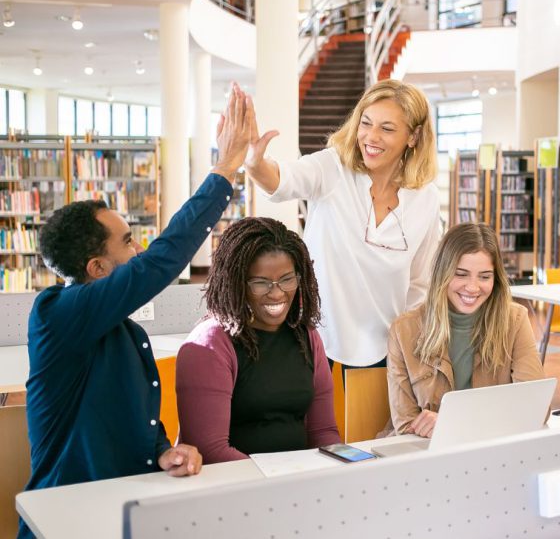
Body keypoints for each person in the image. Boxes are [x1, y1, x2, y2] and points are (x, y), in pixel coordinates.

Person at [18, 85, 252, 538]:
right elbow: (160, 262)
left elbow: (131, 418)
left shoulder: (123, 330)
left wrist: (162, 451)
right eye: (127, 242)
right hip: (66, 521)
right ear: (96, 268)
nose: (139, 250)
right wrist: (223, 170)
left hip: (125, 510)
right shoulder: (57, 315)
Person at [244, 79, 441, 370]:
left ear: (413, 136)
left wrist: (410, 347)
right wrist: (255, 165)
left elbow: (420, 283)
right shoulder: (333, 168)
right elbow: (284, 180)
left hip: (385, 348)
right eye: (366, 123)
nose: (371, 137)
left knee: (370, 418)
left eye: (387, 128)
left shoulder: (426, 198)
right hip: (314, 338)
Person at [176, 217, 340, 463]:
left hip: (297, 482)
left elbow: (323, 432)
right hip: (235, 488)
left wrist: (344, 466)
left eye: (287, 279)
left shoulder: (306, 336)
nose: (276, 293)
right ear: (236, 283)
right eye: (261, 283)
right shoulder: (209, 344)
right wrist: (278, 481)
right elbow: (210, 451)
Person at [386, 223, 545, 437]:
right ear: (443, 273)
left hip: (492, 449)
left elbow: (536, 408)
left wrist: (452, 423)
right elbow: (405, 425)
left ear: (496, 279)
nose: (472, 287)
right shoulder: (403, 330)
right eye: (461, 274)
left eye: (485, 276)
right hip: (426, 454)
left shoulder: (515, 320)